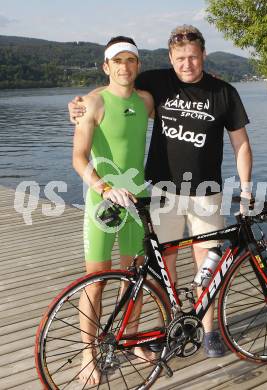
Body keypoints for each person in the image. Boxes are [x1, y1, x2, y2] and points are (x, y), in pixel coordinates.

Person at [69, 25, 253, 358]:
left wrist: (247, 187)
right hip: (144, 195)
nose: (187, 64)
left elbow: (240, 143)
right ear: (170, 58)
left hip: (193, 193)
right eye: (180, 58)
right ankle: (116, 344)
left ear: (203, 56)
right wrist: (82, 103)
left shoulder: (213, 93)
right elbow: (113, 92)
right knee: (134, 274)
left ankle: (198, 332)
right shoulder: (147, 86)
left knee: (190, 266)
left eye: (193, 57)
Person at [72, 35, 154, 385]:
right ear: (107, 67)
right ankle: (89, 354)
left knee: (135, 276)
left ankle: (130, 339)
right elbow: (78, 158)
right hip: (103, 203)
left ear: (137, 66)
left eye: (130, 61)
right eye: (117, 61)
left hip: (137, 202)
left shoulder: (147, 100)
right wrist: (105, 187)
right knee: (97, 282)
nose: (124, 67)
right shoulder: (93, 103)